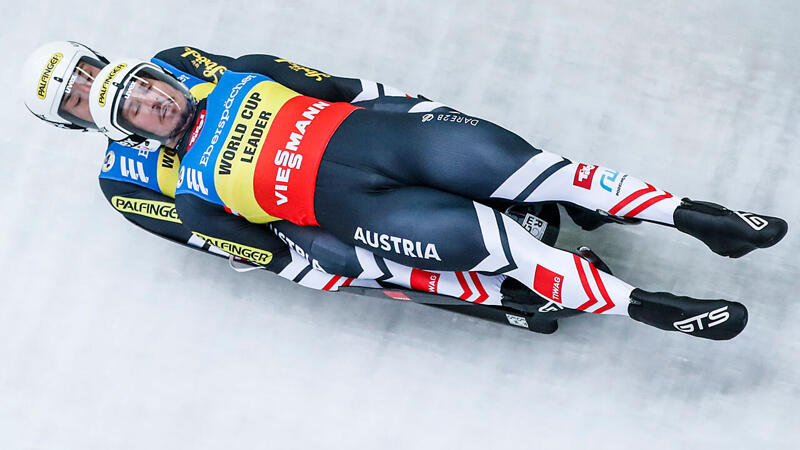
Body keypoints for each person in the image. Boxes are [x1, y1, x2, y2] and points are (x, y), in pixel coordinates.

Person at [26, 43, 788, 340]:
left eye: (137, 85)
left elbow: (330, 85)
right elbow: (250, 248)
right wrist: (349, 269)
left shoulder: (191, 60)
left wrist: (410, 107)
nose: (149, 100)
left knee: (540, 170)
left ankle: (698, 217)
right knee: (501, 247)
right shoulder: (141, 183)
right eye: (105, 103)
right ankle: (653, 310)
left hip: (386, 141)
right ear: (93, 127)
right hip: (357, 216)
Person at [21, 41, 564, 325]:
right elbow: (204, 235)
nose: (89, 90)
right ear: (73, 122)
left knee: (401, 122)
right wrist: (280, 254)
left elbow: (278, 77)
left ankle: (544, 183)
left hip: (314, 136)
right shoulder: (120, 181)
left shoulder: (170, 63)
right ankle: (501, 290)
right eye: (75, 97)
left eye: (88, 72)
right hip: (274, 210)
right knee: (335, 258)